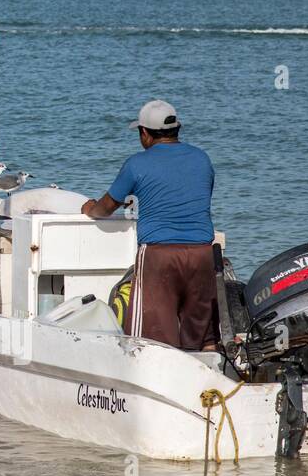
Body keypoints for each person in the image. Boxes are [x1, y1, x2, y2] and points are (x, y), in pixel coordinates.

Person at [81, 100, 217, 350]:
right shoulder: (202, 159)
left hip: (159, 255)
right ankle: (207, 379)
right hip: (202, 253)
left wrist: (89, 208)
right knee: (202, 334)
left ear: (145, 133)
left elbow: (106, 207)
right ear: (177, 128)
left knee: (154, 336)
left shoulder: (137, 164)